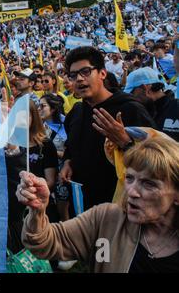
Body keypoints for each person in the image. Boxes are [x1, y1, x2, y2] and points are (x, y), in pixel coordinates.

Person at [17, 137, 179, 273]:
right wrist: (37, 211)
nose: (132, 191)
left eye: (149, 184)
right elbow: (44, 243)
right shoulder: (107, 219)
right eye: (129, 178)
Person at [60, 46, 156, 210]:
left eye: (85, 72)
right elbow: (71, 145)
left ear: (102, 73)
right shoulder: (76, 112)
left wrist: (125, 142)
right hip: (84, 206)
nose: (79, 79)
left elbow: (157, 159)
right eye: (73, 75)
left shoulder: (130, 109)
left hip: (122, 208)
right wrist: (68, 161)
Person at [5, 99, 58, 254]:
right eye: (17, 116)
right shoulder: (9, 145)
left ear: (33, 117)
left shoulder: (45, 145)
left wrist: (33, 192)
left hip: (37, 205)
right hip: (14, 207)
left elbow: (50, 181)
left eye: (25, 116)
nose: (20, 121)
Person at [124, 67, 179, 141]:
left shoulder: (176, 108)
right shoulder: (141, 111)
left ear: (146, 88)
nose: (132, 97)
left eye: (132, 92)